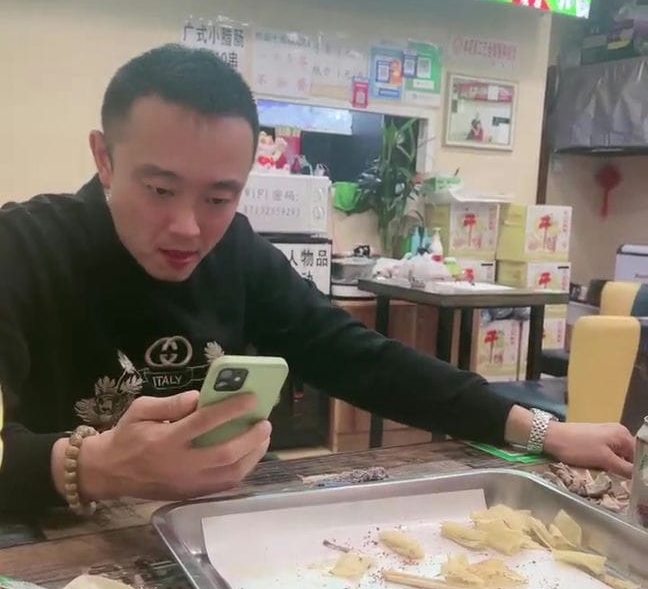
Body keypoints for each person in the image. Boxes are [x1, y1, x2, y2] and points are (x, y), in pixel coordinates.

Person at [0, 45, 634, 517]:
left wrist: (545, 431)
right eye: (161, 190)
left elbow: (360, 358)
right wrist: (92, 466)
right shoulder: (23, 249)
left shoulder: (237, 254)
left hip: (206, 533)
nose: (188, 228)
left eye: (219, 198)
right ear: (104, 158)